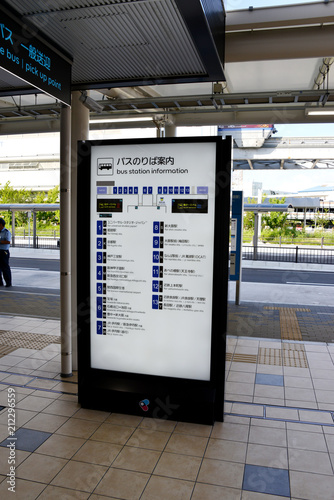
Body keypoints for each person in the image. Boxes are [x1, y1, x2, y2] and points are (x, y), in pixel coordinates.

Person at [0, 217, 12, 287]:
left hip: (4, 252)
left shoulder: (6, 232)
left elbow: (8, 241)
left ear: (1, 224)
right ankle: (0, 282)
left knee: (5, 267)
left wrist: (0, 241)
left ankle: (8, 282)